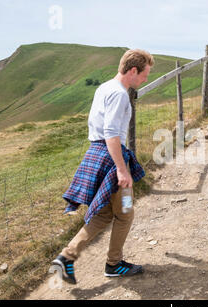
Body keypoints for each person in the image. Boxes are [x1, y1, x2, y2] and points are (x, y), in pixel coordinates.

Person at [51, 49, 154, 284]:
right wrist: (121, 168)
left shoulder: (105, 87)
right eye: (144, 75)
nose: (145, 79)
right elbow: (111, 133)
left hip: (98, 155)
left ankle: (66, 258)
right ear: (133, 70)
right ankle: (114, 265)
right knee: (126, 212)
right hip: (112, 160)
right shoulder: (119, 94)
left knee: (106, 213)